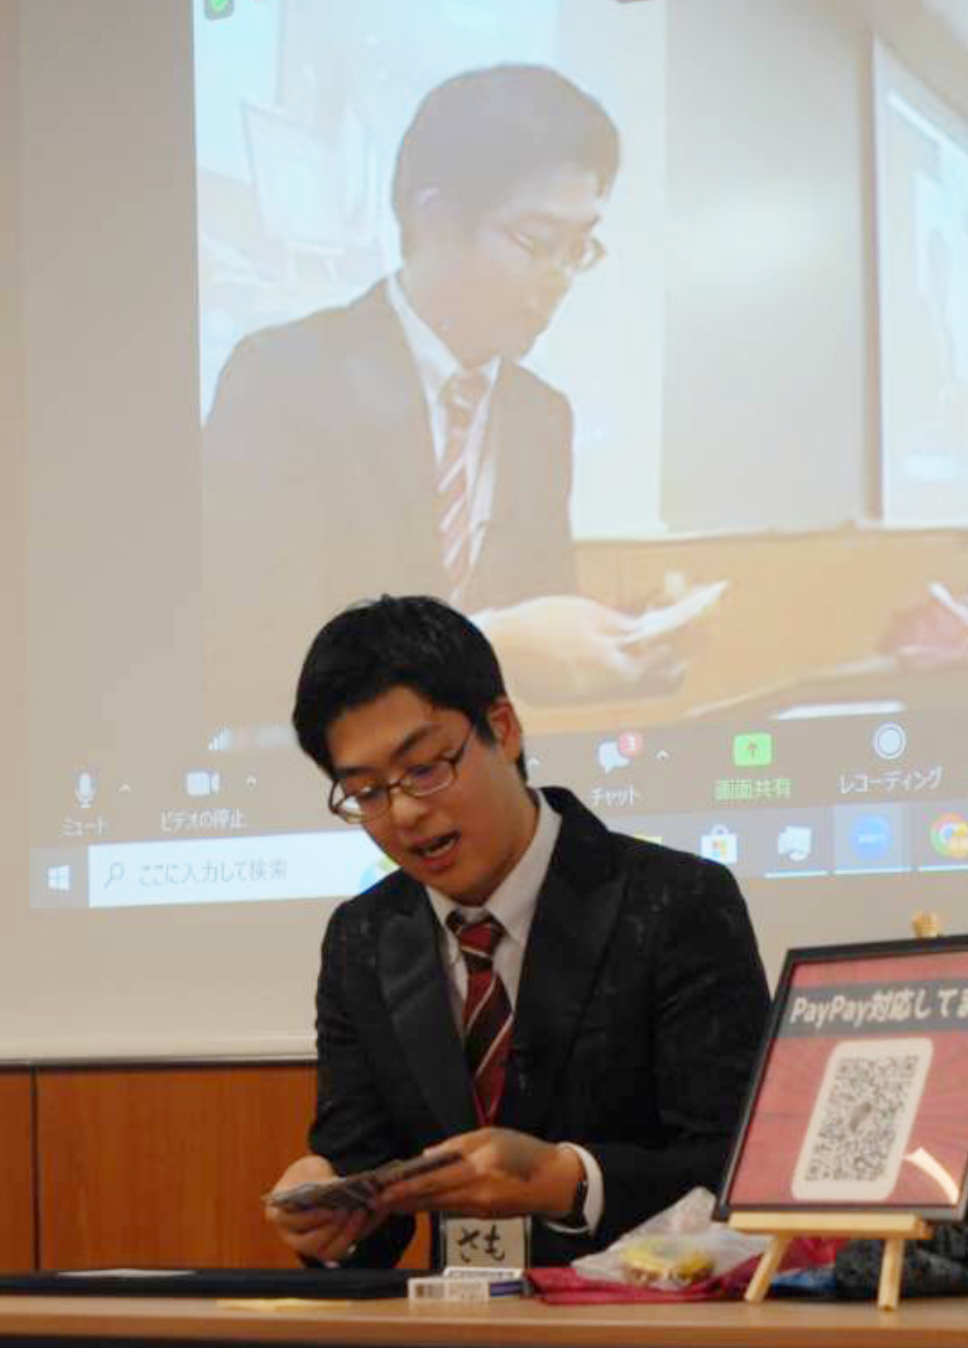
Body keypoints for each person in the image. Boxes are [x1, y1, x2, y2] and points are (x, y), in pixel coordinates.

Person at [265, 595, 771, 1269]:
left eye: (424, 768)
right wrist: (326, 1203)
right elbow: (370, 1207)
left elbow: (733, 1172)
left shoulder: (676, 901)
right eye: (367, 792)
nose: (407, 812)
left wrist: (565, 1181)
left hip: (652, 1341)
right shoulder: (364, 937)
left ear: (502, 728)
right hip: (459, 1347)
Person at [203, 64, 683, 726]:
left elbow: (536, 650)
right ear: (432, 218)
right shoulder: (284, 378)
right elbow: (256, 651)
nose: (561, 278)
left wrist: (622, 644)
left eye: (580, 248)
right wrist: (485, 642)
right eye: (538, 243)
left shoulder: (542, 416)